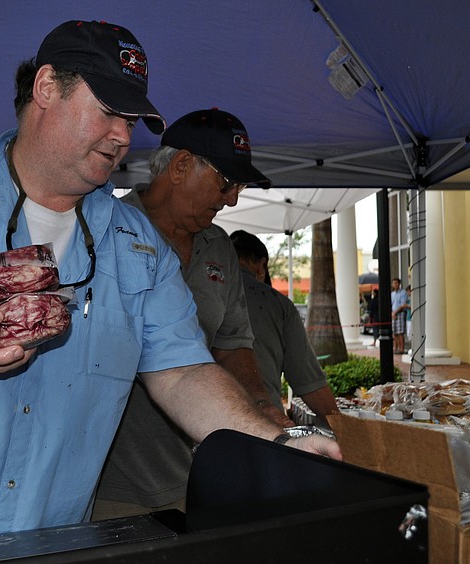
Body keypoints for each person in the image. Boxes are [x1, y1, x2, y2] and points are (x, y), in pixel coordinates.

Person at [0, 21, 340, 553]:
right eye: (109, 111)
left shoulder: (135, 246)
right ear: (47, 87)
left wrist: (272, 440)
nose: (123, 136)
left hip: (45, 546)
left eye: (132, 119)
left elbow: (184, 371)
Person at [93, 108, 290, 520]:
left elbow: (232, 343)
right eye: (226, 182)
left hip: (195, 473)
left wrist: (260, 405)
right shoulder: (106, 230)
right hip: (109, 484)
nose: (233, 198)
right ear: (181, 165)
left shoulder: (219, 248)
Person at [229, 229, 339, 429]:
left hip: (206, 430)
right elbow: (309, 383)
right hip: (265, 428)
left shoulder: (198, 296)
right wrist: (344, 429)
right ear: (262, 265)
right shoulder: (277, 304)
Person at [390, 277, 407, 354]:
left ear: (399, 284)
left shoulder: (403, 292)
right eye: (393, 283)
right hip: (393, 314)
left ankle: (401, 348)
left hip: (400, 313)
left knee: (400, 332)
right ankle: (395, 347)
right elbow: (391, 304)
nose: (395, 284)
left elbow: (403, 305)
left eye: (396, 283)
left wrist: (395, 312)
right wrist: (392, 313)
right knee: (394, 332)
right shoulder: (392, 294)